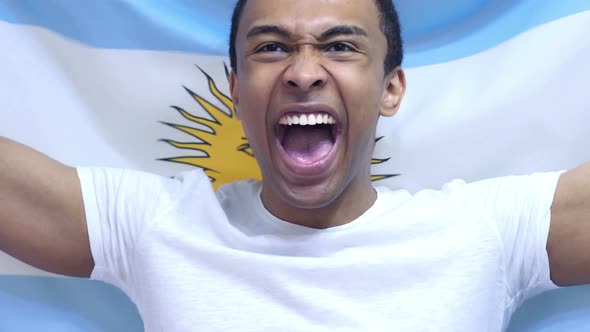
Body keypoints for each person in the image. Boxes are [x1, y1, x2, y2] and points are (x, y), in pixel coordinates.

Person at [0, 0, 588, 330]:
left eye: (339, 46)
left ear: (391, 89)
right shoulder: (160, 223)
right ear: (234, 90)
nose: (303, 72)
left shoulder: (484, 231)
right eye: (271, 47)